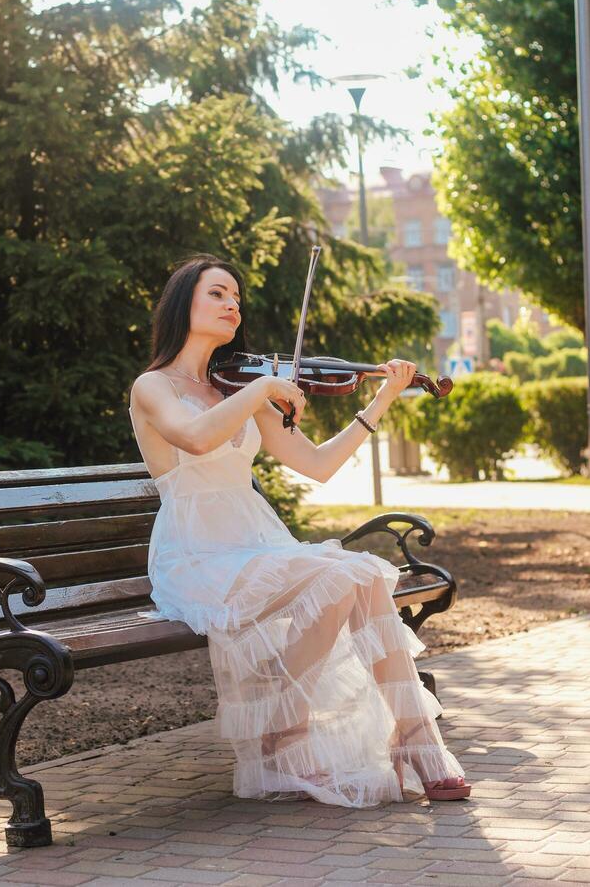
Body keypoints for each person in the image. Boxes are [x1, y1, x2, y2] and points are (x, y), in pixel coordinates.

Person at [129, 253, 470, 807]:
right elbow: (193, 438)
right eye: (217, 293)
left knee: (356, 573)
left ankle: (411, 737)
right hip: (196, 554)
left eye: (236, 296)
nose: (232, 304)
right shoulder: (154, 386)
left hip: (256, 542)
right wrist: (261, 391)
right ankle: (301, 728)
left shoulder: (239, 387)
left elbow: (318, 465)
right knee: (349, 574)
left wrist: (383, 396)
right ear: (181, 302)